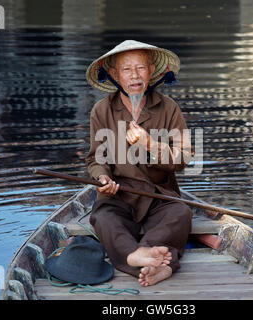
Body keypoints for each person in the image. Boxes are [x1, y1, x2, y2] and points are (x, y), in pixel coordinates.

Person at [85, 40, 193, 286]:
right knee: (103, 218)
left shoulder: (168, 108)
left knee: (181, 212)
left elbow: (184, 157)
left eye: (140, 68)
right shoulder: (101, 111)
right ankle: (156, 262)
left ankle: (140, 255)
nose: (134, 76)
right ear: (114, 75)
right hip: (119, 195)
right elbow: (95, 158)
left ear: (152, 70)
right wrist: (103, 180)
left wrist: (150, 144)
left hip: (159, 197)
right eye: (126, 70)